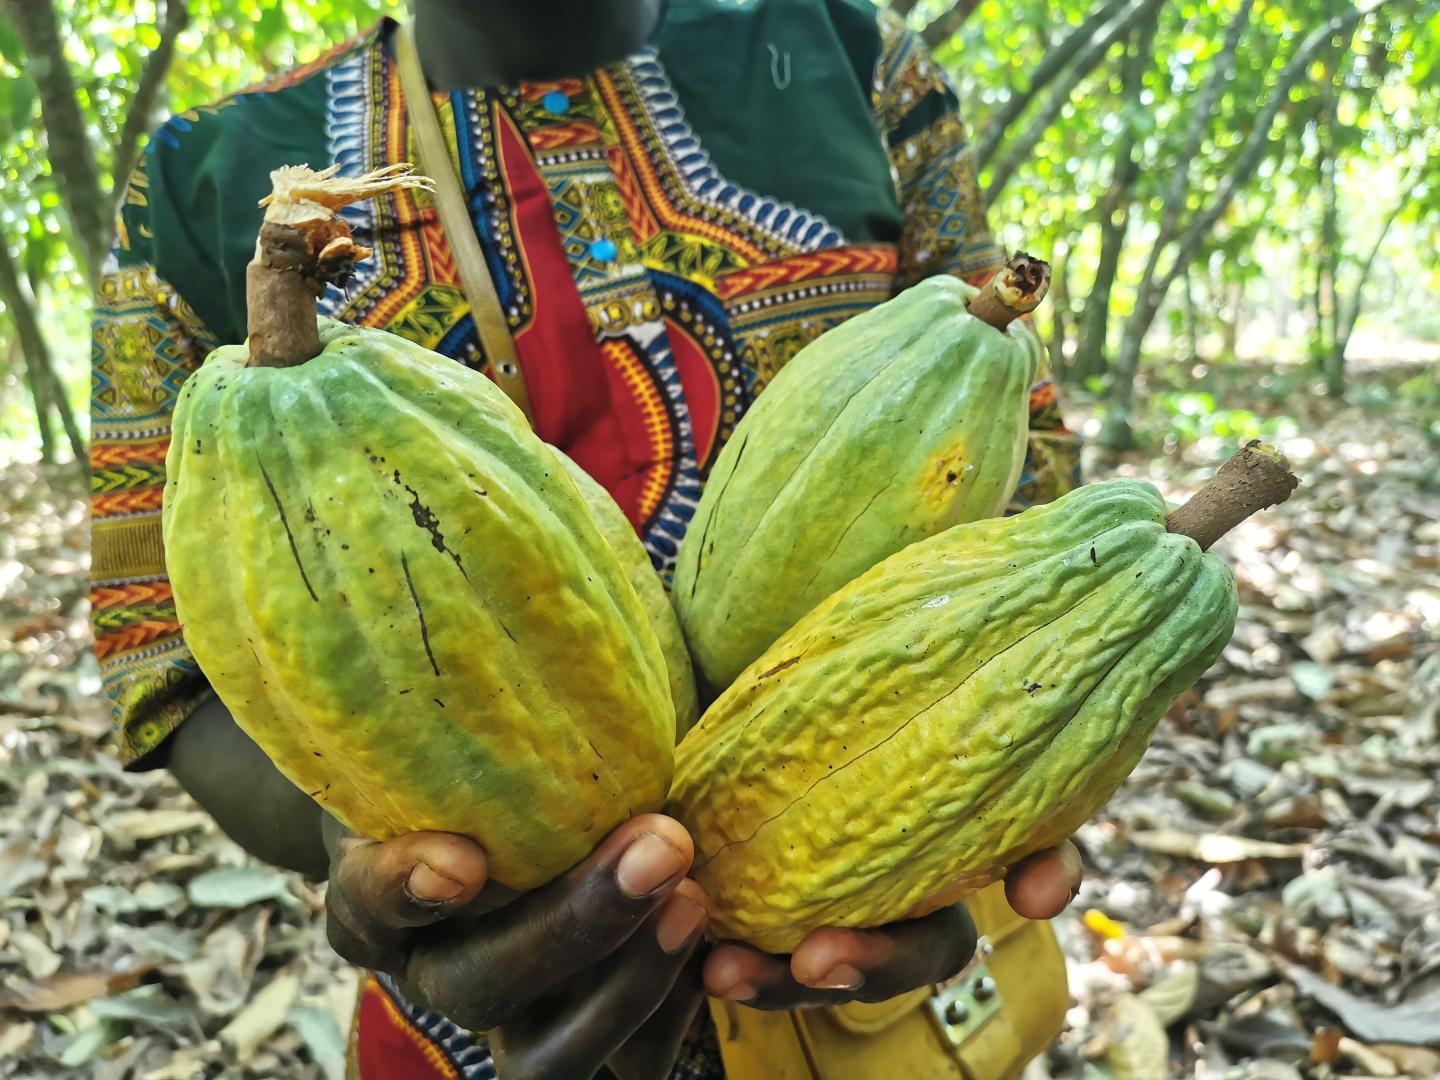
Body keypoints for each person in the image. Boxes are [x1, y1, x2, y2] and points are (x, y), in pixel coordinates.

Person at [89, 1, 1086, 1076]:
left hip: (868, 954)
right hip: (485, 1022)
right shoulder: (203, 179)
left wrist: (1007, 752)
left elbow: (1020, 470)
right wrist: (393, 826)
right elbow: (169, 666)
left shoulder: (852, 58)